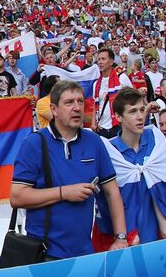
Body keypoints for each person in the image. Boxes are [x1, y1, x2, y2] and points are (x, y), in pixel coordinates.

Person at [9, 79, 127, 259]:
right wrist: (63, 193)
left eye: (80, 101)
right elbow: (17, 196)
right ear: (54, 110)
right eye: (69, 102)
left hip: (85, 252)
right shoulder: (34, 144)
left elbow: (112, 192)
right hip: (45, 254)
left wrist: (120, 237)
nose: (77, 107)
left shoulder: (94, 141)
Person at [96, 87, 166, 247]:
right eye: (133, 112)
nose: (140, 117)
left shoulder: (155, 141)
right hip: (126, 244)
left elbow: (161, 187)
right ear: (118, 116)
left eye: (142, 110)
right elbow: (106, 201)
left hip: (158, 239)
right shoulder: (109, 152)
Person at [90, 47, 131, 138]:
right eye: (99, 59)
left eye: (103, 59)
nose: (100, 62)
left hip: (119, 126)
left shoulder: (121, 78)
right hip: (101, 128)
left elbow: (132, 99)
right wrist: (93, 123)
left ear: (111, 62)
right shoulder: (96, 84)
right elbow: (95, 105)